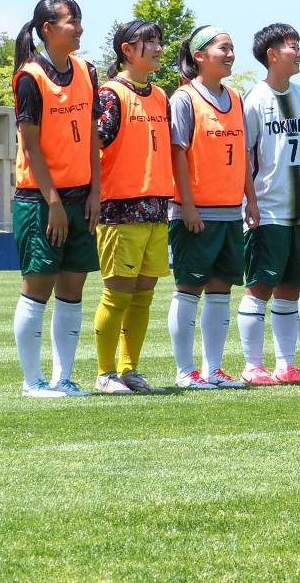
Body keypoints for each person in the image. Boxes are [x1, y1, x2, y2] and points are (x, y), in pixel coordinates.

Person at [10, 0, 101, 397]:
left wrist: (96, 193)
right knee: (38, 289)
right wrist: (54, 204)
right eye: (71, 22)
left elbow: (93, 137)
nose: (79, 28)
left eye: (80, 21)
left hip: (82, 199)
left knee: (72, 289)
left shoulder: (86, 70)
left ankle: (64, 378)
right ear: (47, 29)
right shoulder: (30, 77)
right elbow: (30, 146)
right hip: (40, 201)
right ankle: (33, 382)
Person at [92, 20, 175, 394]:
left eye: (159, 41)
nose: (158, 48)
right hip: (120, 210)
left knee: (143, 296)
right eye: (149, 42)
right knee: (117, 294)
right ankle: (106, 373)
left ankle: (130, 371)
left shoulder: (160, 95)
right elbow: (92, 152)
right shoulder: (110, 94)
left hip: (157, 209)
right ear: (127, 49)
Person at [167, 26, 250, 389]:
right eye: (223, 48)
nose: (230, 54)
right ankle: (186, 371)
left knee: (221, 290)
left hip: (231, 212)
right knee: (188, 289)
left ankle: (213, 369)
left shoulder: (235, 97)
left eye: (232, 48)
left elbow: (244, 155)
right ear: (199, 56)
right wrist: (187, 206)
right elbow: (177, 154)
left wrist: (251, 201)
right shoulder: (185, 99)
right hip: (196, 212)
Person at [239, 23, 300, 384]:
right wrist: (251, 202)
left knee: (291, 287)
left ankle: (286, 366)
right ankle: (252, 365)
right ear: (272, 55)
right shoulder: (254, 99)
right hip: (268, 209)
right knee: (260, 286)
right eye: (292, 46)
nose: (299, 52)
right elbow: (244, 156)